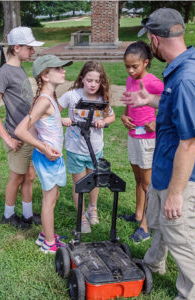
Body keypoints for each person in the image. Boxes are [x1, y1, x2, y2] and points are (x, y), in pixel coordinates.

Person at [121, 8, 195, 300]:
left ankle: (189, 294)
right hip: (165, 167)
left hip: (184, 176)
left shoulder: (188, 78)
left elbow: (189, 142)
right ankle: (154, 264)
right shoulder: (182, 67)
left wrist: (176, 193)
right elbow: (173, 107)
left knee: (181, 235)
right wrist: (149, 99)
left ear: (154, 40)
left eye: (149, 42)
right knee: (159, 223)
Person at [0, 27, 44, 230]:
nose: (33, 52)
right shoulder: (4, 73)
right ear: (17, 47)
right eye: (29, 48)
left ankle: (27, 215)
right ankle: (8, 215)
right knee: (16, 177)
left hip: (28, 134)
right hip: (16, 136)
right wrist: (8, 139)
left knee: (29, 176)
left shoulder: (19, 68)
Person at [15, 55, 72, 253]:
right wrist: (44, 147)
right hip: (48, 158)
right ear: (45, 75)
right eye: (58, 69)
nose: (63, 71)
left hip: (52, 156)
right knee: (49, 200)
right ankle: (49, 243)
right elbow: (21, 131)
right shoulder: (44, 101)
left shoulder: (49, 99)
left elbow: (34, 127)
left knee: (54, 195)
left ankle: (45, 234)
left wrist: (59, 121)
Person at [58, 61, 115, 234]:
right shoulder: (71, 96)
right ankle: (81, 217)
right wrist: (63, 119)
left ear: (101, 82)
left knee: (94, 180)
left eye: (97, 81)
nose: (93, 84)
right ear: (82, 79)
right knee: (80, 184)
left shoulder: (101, 99)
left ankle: (92, 208)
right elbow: (54, 110)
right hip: (75, 148)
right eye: (89, 80)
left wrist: (103, 121)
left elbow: (111, 116)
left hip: (95, 148)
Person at [118, 41, 164, 243]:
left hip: (148, 140)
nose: (130, 70)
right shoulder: (130, 80)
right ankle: (138, 215)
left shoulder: (153, 81)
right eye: (127, 66)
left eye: (134, 66)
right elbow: (130, 102)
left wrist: (156, 121)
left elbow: (171, 102)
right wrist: (124, 116)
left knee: (147, 184)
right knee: (138, 180)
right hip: (133, 136)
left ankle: (145, 225)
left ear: (145, 62)